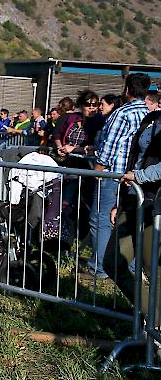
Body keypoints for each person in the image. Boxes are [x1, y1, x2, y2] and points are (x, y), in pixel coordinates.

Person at [87, 73, 150, 279]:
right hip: (134, 177)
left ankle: (100, 266)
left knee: (101, 219)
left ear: (127, 90)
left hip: (113, 174)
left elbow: (109, 145)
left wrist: (97, 169)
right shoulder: (150, 113)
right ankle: (130, 266)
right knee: (127, 222)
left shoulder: (122, 113)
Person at [104, 90, 159, 316]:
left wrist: (141, 177)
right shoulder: (150, 119)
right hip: (135, 199)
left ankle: (154, 333)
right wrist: (121, 199)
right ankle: (152, 317)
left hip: (155, 203)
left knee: (154, 270)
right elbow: (134, 160)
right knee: (113, 262)